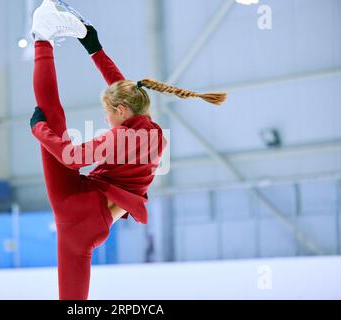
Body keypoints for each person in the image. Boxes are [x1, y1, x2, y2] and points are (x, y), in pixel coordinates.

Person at [29, 0, 226, 300]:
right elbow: (122, 90)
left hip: (80, 205)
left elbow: (71, 155)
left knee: (52, 118)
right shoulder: (153, 132)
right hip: (90, 222)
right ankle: (42, 38)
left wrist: (38, 129)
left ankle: (42, 37)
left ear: (121, 112)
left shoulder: (123, 135)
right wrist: (93, 48)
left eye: (107, 113)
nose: (106, 119)